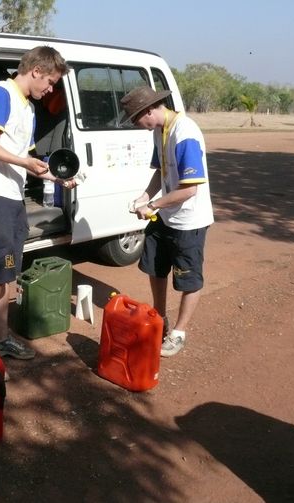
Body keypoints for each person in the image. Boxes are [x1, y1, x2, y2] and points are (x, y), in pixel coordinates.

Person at [0, 46, 71, 360]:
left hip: (13, 197)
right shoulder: (1, 93)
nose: (50, 89)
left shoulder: (28, 107)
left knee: (8, 276)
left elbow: (30, 159)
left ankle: (2, 337)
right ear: (36, 70)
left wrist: (56, 177)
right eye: (49, 82)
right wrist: (22, 162)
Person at [121, 86, 214, 357]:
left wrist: (152, 205)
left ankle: (179, 332)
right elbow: (161, 171)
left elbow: (189, 189)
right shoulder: (158, 131)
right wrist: (144, 196)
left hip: (189, 221)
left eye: (137, 119)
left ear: (149, 110)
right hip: (166, 216)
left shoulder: (185, 132)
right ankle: (160, 317)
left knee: (189, 278)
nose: (138, 126)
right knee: (154, 265)